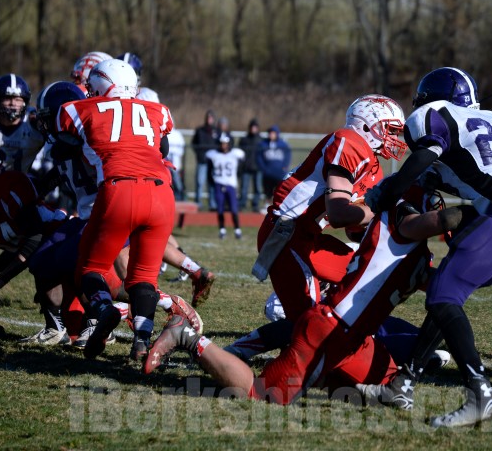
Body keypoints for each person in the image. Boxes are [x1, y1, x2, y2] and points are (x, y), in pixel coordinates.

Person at [359, 67, 492, 428]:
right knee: (448, 294)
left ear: (432, 97)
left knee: (442, 296)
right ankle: (402, 383)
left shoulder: (435, 115)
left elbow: (422, 159)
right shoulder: (491, 123)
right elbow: (458, 170)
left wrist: (386, 194)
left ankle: (480, 394)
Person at [143, 184, 461, 404]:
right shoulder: (397, 228)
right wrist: (480, 217)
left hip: (355, 340)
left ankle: (318, 375)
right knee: (263, 394)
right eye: (429, 204)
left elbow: (447, 285)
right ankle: (186, 336)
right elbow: (442, 220)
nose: (436, 208)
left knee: (387, 387)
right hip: (329, 330)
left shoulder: (414, 253)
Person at [225, 95, 407, 358]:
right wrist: (382, 211)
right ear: (367, 124)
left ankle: (317, 297)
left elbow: (352, 228)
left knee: (364, 275)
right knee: (312, 325)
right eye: (389, 129)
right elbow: (339, 214)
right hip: (286, 234)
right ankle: (237, 350)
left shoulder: (374, 167)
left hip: (309, 238)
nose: (393, 137)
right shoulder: (348, 141)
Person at [56, 59, 175, 361]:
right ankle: (142, 341)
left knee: (90, 268)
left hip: (119, 190)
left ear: (98, 86)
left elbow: (60, 136)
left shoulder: (78, 108)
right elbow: (163, 148)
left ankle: (103, 309)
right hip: (162, 194)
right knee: (144, 276)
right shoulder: (158, 110)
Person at [0, 141, 66, 340]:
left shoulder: (7, 188)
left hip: (59, 238)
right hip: (31, 249)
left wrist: (1, 279)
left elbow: (35, 237)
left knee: (42, 262)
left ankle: (61, 325)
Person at [0, 74, 45, 173]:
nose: (13, 103)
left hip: (23, 181)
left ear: (25, 102)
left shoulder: (34, 124)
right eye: (7, 98)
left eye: (18, 99)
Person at [206, 133, 245, 239]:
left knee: (234, 208)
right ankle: (222, 230)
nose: (223, 145)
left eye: (225, 143)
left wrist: (237, 176)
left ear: (229, 144)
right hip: (219, 184)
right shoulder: (214, 155)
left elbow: (241, 168)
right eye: (222, 143)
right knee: (220, 209)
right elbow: (209, 171)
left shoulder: (235, 154)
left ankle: (237, 230)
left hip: (231, 184)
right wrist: (212, 182)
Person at [256, 125, 292, 207]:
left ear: (277, 134)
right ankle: (267, 206)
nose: (271, 135)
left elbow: (287, 157)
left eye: (273, 133)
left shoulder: (283, 144)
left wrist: (284, 167)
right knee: (267, 192)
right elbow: (259, 157)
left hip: (279, 173)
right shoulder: (263, 144)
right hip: (267, 173)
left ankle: (279, 207)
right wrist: (264, 169)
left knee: (280, 191)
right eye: (270, 133)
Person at [192, 110, 218, 210]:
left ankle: (212, 204)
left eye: (211, 117)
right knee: (200, 182)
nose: (209, 119)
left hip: (213, 163)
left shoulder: (217, 131)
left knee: (212, 183)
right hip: (202, 161)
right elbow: (194, 143)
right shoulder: (200, 130)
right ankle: (198, 203)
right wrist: (199, 154)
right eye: (208, 117)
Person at [238, 118, 263, 212]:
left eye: (255, 127)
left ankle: (255, 204)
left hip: (257, 168)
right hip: (246, 168)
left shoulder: (261, 140)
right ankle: (242, 204)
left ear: (258, 128)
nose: (253, 129)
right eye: (252, 127)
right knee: (244, 188)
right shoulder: (244, 140)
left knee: (258, 188)